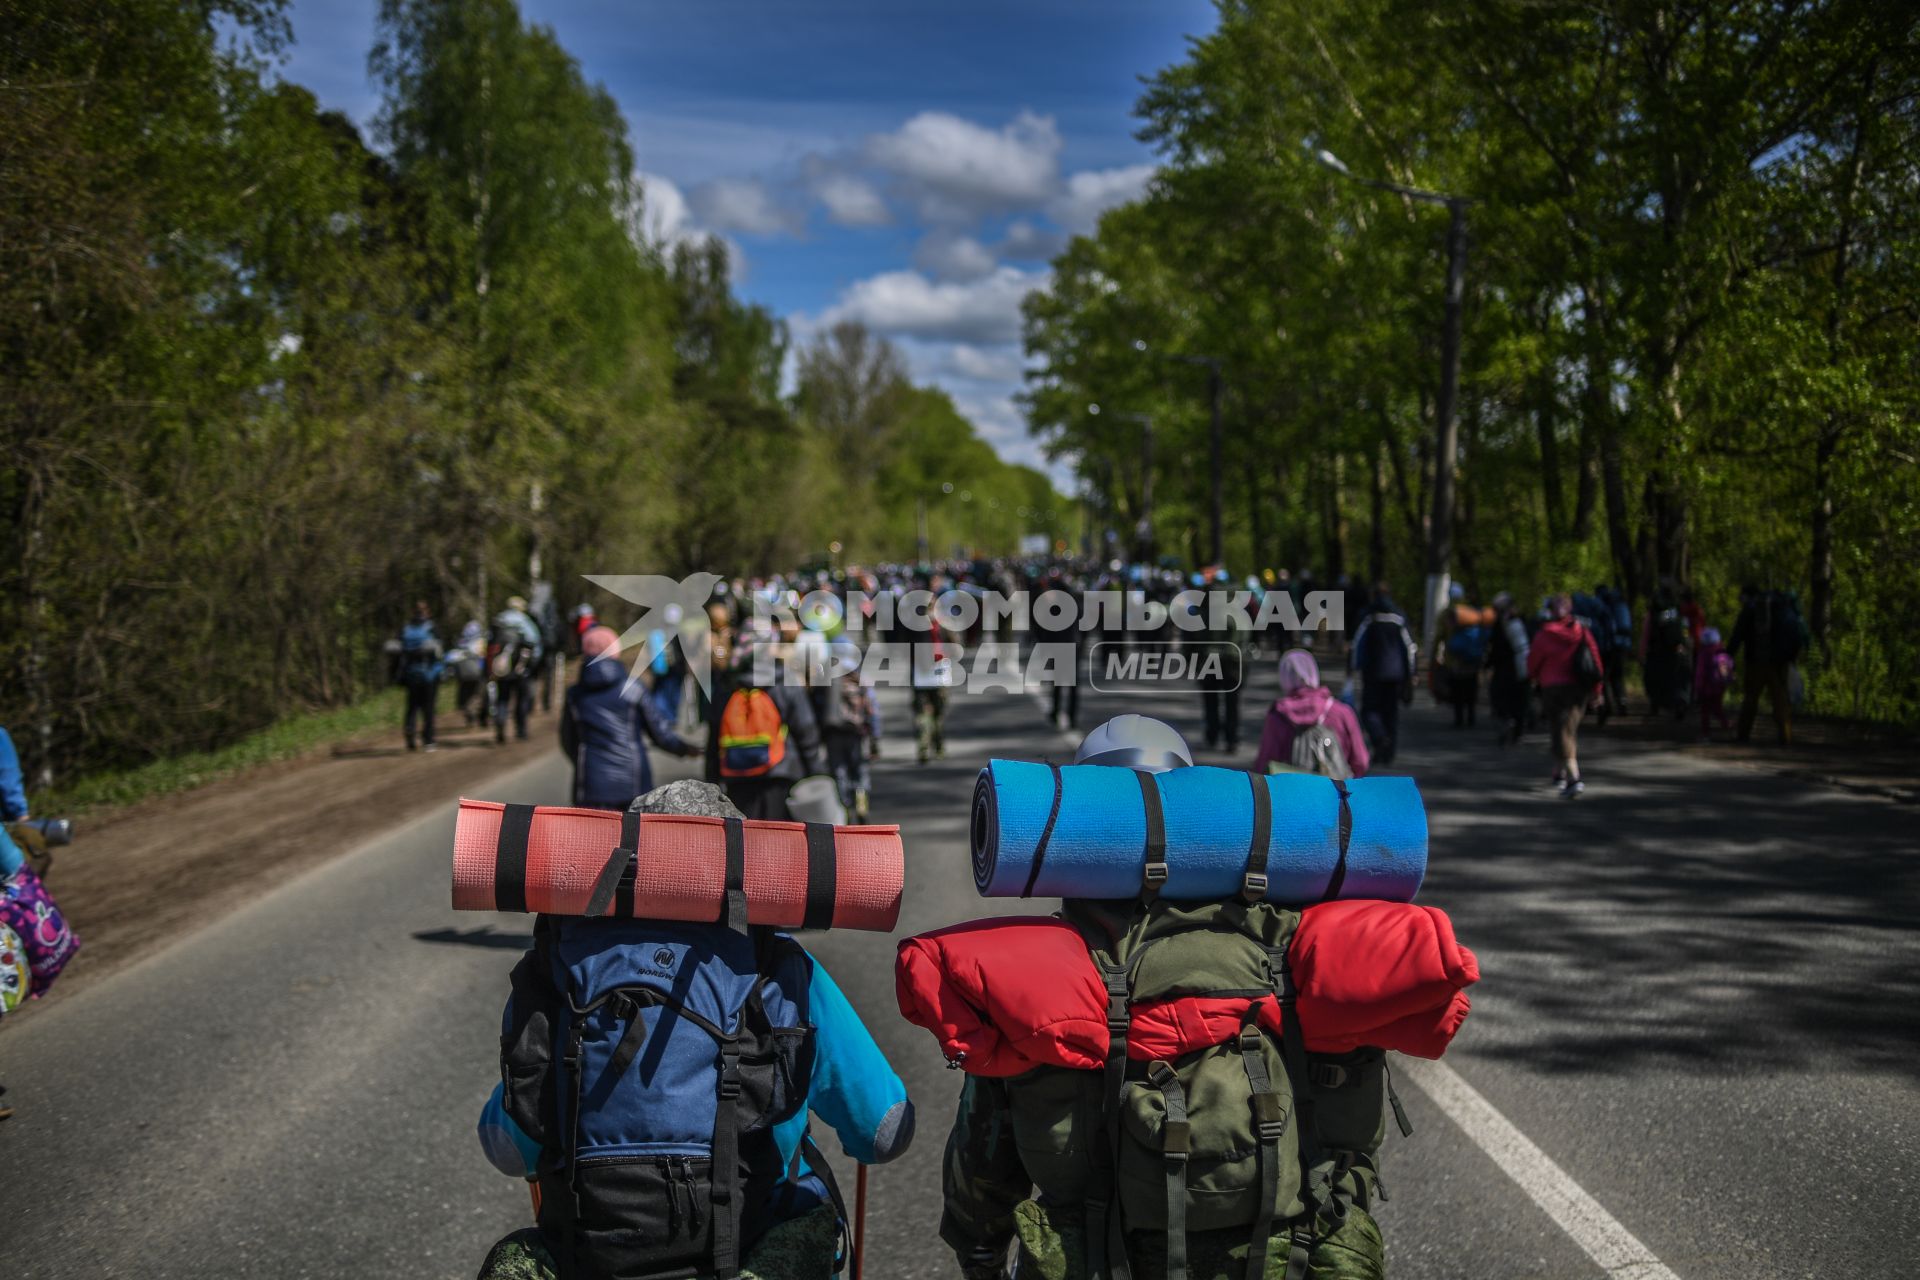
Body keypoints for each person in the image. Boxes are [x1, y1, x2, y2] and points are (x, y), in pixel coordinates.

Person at [938, 715, 1389, 1280]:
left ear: (1079, 824)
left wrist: (979, 1249)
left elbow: (984, 1159)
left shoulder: (1035, 971)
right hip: (1276, 1256)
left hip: (1098, 1260)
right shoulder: (1282, 946)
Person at [473, 780, 914, 1280]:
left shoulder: (561, 967)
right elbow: (883, 1131)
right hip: (752, 1245)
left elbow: (506, 1148)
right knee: (810, 1207)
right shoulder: (782, 966)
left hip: (594, 1256)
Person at [559, 626, 700, 811]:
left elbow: (568, 740)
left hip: (591, 783)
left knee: (592, 838)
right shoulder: (634, 689)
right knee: (632, 837)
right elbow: (660, 734)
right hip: (633, 781)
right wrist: (685, 749)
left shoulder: (574, 695)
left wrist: (584, 760)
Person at [705, 628, 825, 820]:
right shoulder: (785, 682)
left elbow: (714, 737)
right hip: (780, 774)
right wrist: (817, 774)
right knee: (780, 839)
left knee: (745, 839)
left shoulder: (727, 686)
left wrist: (711, 781)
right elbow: (806, 730)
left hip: (737, 775)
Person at [1528, 595, 1605, 798]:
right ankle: (1559, 772)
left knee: (1561, 730)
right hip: (1578, 688)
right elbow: (1595, 659)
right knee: (1567, 729)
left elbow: (1533, 662)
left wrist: (1533, 678)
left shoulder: (1545, 634)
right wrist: (1597, 689)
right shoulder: (1581, 630)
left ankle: (1573, 777)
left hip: (1552, 687)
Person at [1252, 648, 1370, 778]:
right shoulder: (1343, 712)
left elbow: (1264, 764)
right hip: (1335, 793)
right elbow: (1361, 762)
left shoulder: (1278, 715)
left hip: (1292, 793)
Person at [1347, 584, 1417, 766]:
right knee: (1391, 713)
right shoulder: (1399, 617)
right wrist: (1411, 673)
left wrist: (1352, 668)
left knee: (1369, 711)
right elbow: (1410, 648)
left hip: (1372, 673)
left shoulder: (1368, 617)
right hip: (1396, 674)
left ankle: (1379, 739)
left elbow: (1356, 645)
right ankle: (1389, 752)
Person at [1728, 585, 1805, 745]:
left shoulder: (1750, 609)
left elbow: (1738, 634)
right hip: (1780, 664)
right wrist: (1790, 658)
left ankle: (1743, 735)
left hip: (1755, 662)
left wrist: (1728, 655)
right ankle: (1785, 737)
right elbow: (1797, 636)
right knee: (1780, 701)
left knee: (1750, 699)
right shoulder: (1783, 608)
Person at [810, 645, 879, 821]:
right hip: (857, 732)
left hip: (833, 732)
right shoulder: (861, 679)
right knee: (859, 770)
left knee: (839, 771)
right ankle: (861, 800)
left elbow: (816, 707)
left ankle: (845, 807)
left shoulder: (826, 680)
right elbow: (872, 710)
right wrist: (875, 738)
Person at [1198, 567, 1247, 754]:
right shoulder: (1237, 608)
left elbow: (1196, 636)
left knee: (1210, 700)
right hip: (1233, 660)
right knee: (1232, 701)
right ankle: (1231, 738)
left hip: (1209, 658)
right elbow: (1245, 634)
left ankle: (1212, 734)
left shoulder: (1206, 608)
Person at [491, 595, 544, 744]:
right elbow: (536, 644)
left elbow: (489, 644)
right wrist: (532, 665)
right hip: (521, 668)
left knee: (502, 698)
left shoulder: (499, 621)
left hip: (502, 669)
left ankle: (500, 724)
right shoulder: (525, 622)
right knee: (521, 699)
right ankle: (521, 730)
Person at [395, 602, 444, 752]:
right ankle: (428, 740)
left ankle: (410, 729)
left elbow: (398, 651)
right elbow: (440, 650)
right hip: (430, 674)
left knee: (412, 706)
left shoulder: (406, 629)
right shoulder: (431, 628)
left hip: (411, 674)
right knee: (428, 708)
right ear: (427, 612)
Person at [1436, 583, 1486, 728]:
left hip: (1455, 660)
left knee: (1457, 689)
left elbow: (1438, 637)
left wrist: (1435, 656)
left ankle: (1459, 719)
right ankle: (1471, 717)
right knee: (1471, 688)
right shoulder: (1471, 613)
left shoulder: (1447, 614)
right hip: (1473, 659)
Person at [1486, 592, 1531, 746]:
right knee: (1520, 700)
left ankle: (1507, 724)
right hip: (1522, 668)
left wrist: (1488, 664)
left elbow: (1495, 648)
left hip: (1504, 669)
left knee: (1501, 699)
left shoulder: (1500, 625)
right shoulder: (1522, 622)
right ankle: (1517, 728)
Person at [1693, 626, 1734, 739]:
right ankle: (1726, 724)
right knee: (1717, 708)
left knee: (1705, 711)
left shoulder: (1704, 653)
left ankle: (1705, 733)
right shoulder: (1722, 651)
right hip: (1719, 687)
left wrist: (1698, 687)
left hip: (1706, 688)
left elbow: (1700, 672)